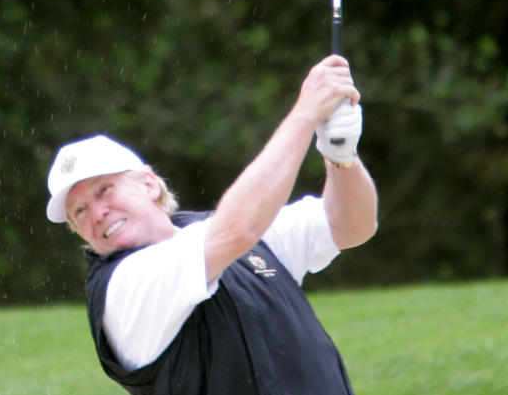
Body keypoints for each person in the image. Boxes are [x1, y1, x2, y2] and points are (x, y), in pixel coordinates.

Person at [45, 55, 377, 395]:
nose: (96, 213)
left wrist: (341, 158)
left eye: (104, 191)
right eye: (79, 211)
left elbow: (350, 226)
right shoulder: (123, 285)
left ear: (148, 183)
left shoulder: (210, 232)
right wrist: (306, 114)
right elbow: (237, 230)